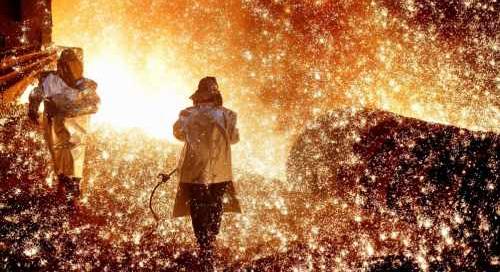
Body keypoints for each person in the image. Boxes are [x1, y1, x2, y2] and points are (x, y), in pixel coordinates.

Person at [172, 76, 241, 270]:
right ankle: (211, 238)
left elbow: (178, 134)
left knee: (197, 205)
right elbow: (234, 138)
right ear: (216, 95)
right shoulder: (228, 115)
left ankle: (204, 244)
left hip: (194, 170)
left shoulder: (186, 114)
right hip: (220, 171)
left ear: (198, 96)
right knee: (215, 203)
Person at [28, 48, 99, 216]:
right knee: (57, 156)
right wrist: (33, 109)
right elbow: (36, 93)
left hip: (75, 127)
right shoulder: (51, 81)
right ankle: (62, 185)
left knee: (74, 161)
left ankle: (72, 198)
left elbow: (94, 105)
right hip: (54, 124)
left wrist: (67, 109)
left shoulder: (85, 85)